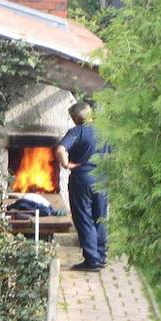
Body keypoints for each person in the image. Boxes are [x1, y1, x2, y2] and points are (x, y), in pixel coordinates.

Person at [56, 101, 109, 272]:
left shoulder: (77, 132)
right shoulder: (105, 132)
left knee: (84, 218)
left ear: (75, 118)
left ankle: (92, 261)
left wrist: (66, 165)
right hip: (102, 178)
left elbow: (60, 150)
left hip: (82, 179)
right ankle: (101, 257)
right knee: (100, 217)